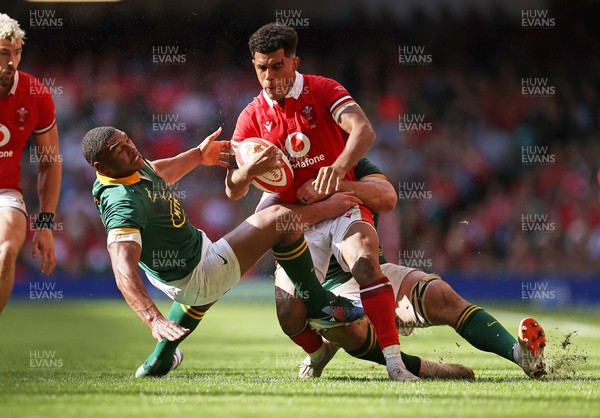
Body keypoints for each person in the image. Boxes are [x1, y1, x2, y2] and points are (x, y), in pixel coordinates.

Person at [81, 126, 364, 377]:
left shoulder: (129, 169)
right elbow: (122, 269)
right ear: (101, 166)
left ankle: (159, 359)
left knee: (202, 289)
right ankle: (320, 303)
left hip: (185, 265)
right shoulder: (122, 206)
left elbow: (159, 172)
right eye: (120, 149)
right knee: (277, 218)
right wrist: (154, 318)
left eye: (128, 139)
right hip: (196, 273)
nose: (131, 147)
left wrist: (197, 155)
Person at [226, 23, 416, 380]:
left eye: (277, 66)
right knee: (289, 315)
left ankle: (395, 363)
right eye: (261, 67)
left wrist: (340, 166)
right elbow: (232, 189)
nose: (269, 76)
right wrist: (246, 171)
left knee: (364, 258)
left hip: (341, 205)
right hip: (298, 222)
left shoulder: (323, 90)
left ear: (294, 61)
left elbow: (364, 129)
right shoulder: (251, 116)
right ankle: (319, 351)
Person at [268, 159, 547, 379]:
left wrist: (338, 185)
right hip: (326, 290)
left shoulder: (353, 164)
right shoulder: (282, 173)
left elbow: (387, 197)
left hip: (372, 273)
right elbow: (265, 220)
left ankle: (520, 354)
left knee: (442, 295)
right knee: (343, 327)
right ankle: (424, 368)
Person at [0, 13, 61, 314]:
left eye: (17, 53)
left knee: (7, 250)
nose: (11, 62)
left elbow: (49, 163)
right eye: (2, 53)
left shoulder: (36, 93)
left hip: (5, 193)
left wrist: (45, 225)